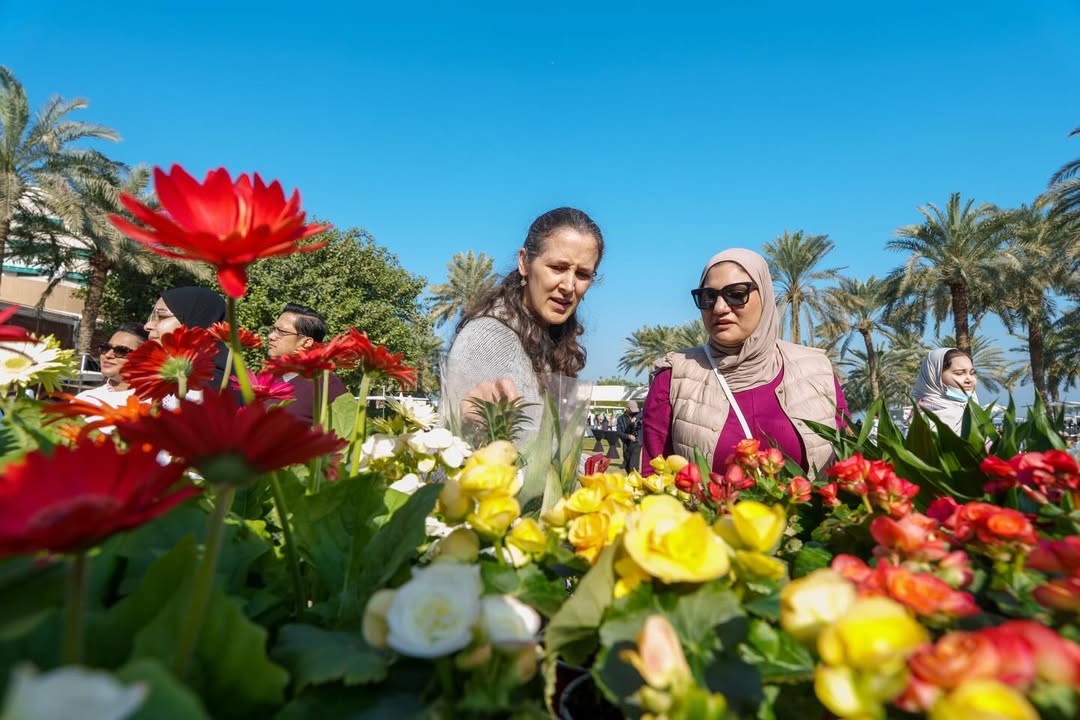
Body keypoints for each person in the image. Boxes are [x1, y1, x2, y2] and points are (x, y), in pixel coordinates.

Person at [642, 248, 848, 477]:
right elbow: (654, 475)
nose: (719, 308)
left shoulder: (817, 371)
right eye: (708, 297)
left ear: (765, 296)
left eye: (736, 294)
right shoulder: (674, 378)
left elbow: (847, 465)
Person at [444, 207, 604, 436]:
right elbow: (451, 449)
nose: (569, 286)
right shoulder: (487, 341)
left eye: (582, 274)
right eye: (558, 268)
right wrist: (467, 425)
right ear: (524, 262)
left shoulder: (553, 343)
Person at [266, 302, 348, 425]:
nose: (271, 336)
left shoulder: (327, 385)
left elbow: (346, 431)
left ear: (306, 342)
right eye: (273, 329)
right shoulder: (268, 379)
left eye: (282, 332)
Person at [144, 286, 232, 390]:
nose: (147, 326)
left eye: (161, 316)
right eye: (150, 318)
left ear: (196, 323)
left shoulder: (214, 389)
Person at [74, 323, 149, 408]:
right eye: (106, 348)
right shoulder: (84, 400)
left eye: (121, 351)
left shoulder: (156, 403)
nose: (108, 355)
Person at [912, 347, 978, 435]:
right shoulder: (923, 418)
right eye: (959, 373)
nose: (969, 379)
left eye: (972, 373)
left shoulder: (974, 408)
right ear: (935, 376)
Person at [616, 400, 642, 472]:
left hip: (637, 442)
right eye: (632, 409)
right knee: (627, 466)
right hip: (626, 443)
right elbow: (619, 432)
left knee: (633, 465)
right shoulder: (621, 418)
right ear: (627, 408)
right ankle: (631, 477)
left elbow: (643, 412)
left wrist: (635, 417)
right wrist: (628, 436)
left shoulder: (639, 415)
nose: (634, 411)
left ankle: (634, 477)